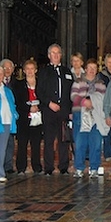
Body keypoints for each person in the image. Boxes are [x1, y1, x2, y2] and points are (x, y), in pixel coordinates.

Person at [36, 44, 74, 175]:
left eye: (58, 53)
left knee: (64, 140)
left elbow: (71, 92)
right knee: (48, 140)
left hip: (63, 110)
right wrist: (49, 103)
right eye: (53, 53)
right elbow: (39, 91)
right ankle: (48, 167)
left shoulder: (67, 72)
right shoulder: (43, 72)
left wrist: (69, 110)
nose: (56, 55)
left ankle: (63, 166)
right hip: (49, 110)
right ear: (49, 56)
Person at [70, 59, 109, 178]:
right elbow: (73, 96)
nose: (92, 70)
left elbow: (105, 99)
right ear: (85, 69)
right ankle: (79, 168)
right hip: (80, 115)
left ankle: (94, 168)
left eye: (94, 68)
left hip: (96, 116)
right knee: (80, 143)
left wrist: (94, 102)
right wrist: (84, 101)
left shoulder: (101, 83)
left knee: (96, 143)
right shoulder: (78, 81)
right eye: (90, 68)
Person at [12, 59, 43, 175]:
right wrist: (28, 108)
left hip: (38, 117)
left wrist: (38, 107)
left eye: (32, 69)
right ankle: (21, 167)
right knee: (22, 143)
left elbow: (45, 98)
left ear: (36, 70)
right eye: (27, 69)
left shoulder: (41, 84)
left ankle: (37, 167)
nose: (30, 71)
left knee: (36, 143)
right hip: (24, 118)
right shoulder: (19, 85)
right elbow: (17, 102)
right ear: (24, 71)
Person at [0, 58, 16, 174]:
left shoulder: (17, 82)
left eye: (9, 67)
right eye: (5, 67)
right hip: (0, 116)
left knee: (10, 141)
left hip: (11, 116)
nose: (7, 70)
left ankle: (8, 165)